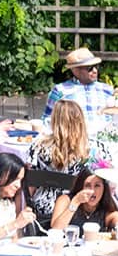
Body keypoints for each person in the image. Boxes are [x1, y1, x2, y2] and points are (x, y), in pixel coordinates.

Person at [27, 96, 95, 228]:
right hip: (75, 207)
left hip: (42, 207)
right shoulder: (89, 150)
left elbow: (30, 183)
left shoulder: (38, 146)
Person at [44, 48, 117, 132]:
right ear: (75, 70)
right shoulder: (60, 90)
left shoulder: (107, 89)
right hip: (74, 137)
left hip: (105, 136)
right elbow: (47, 121)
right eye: (89, 68)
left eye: (96, 66)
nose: (95, 71)